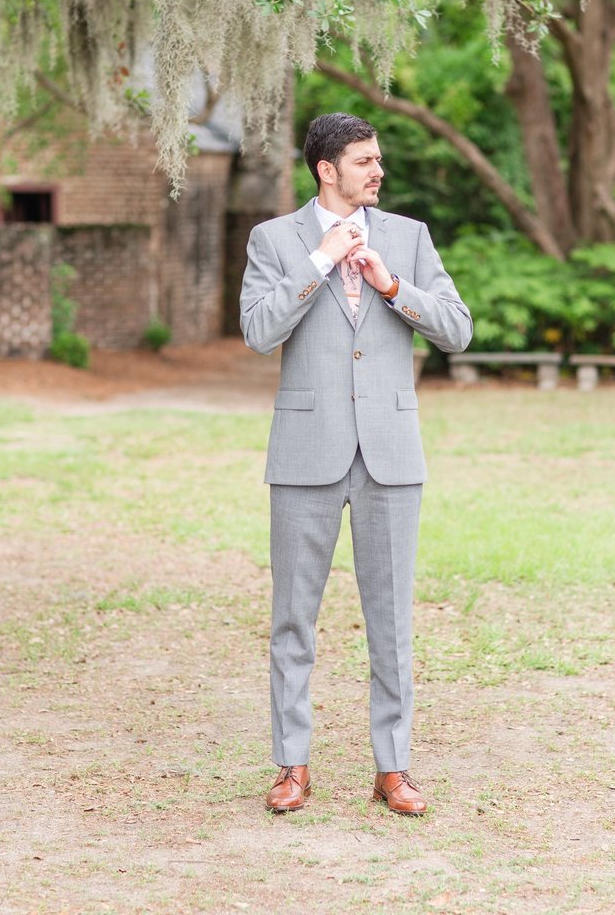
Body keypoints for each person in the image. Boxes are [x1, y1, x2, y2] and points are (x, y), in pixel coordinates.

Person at [240, 111, 472, 816]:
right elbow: (258, 331)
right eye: (365, 160)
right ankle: (293, 766)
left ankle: (392, 769)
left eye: (378, 159)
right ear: (327, 169)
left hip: (390, 456)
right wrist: (319, 262)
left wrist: (393, 286)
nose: (379, 170)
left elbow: (457, 329)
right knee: (293, 620)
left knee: (392, 621)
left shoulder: (409, 237)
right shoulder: (274, 239)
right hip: (304, 453)